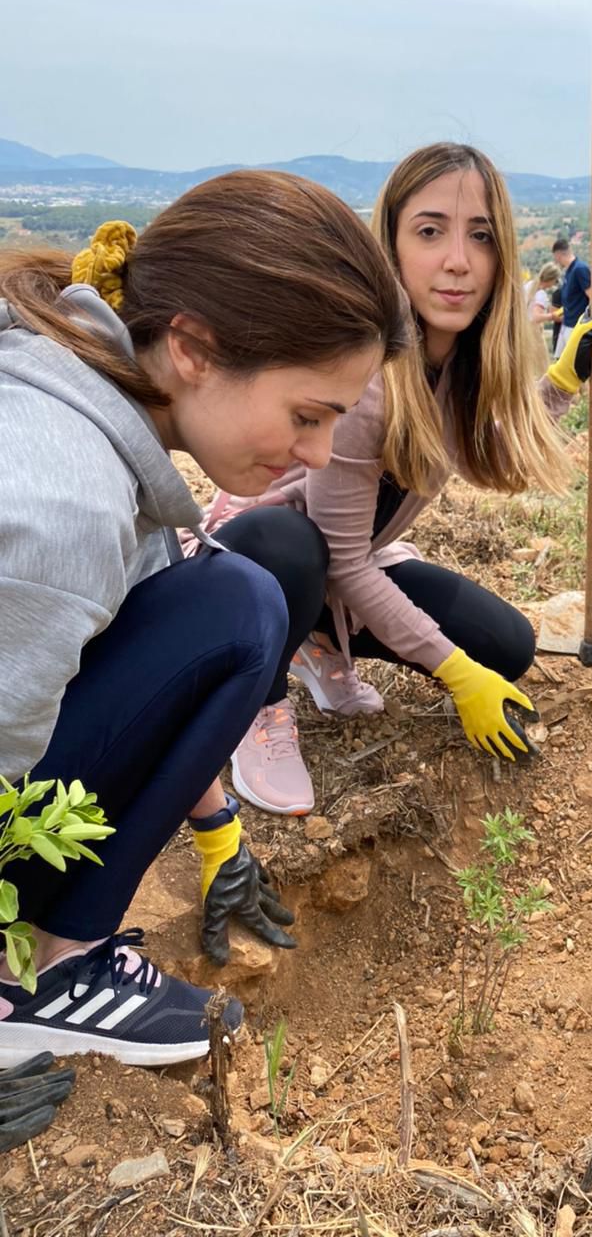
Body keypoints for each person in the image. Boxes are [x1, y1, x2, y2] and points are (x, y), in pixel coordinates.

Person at [0, 170, 410, 1071]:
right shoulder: (61, 503)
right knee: (238, 606)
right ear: (191, 345)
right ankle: (31, 987)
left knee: (227, 598)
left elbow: (144, 651)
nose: (319, 453)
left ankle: (58, 957)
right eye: (307, 414)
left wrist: (220, 832)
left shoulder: (90, 403)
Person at [200, 144, 592, 816]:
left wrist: (564, 380)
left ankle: (314, 638)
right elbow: (338, 558)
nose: (458, 260)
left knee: (506, 647)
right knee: (292, 547)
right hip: (255, 565)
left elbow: (485, 450)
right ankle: (259, 702)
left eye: (480, 236)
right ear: (392, 245)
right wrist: (455, 675)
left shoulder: (455, 361)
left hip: (349, 562)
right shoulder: (366, 373)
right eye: (430, 232)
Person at [552, 237, 592, 355]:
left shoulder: (580, 269)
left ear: (559, 255)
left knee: (571, 362)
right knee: (559, 361)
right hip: (566, 323)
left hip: (575, 326)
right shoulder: (569, 271)